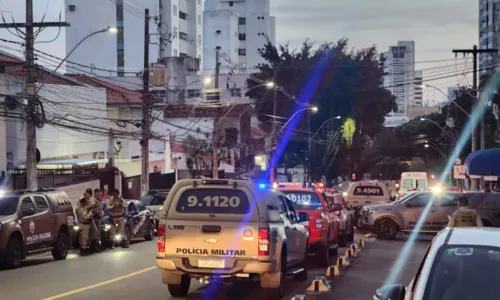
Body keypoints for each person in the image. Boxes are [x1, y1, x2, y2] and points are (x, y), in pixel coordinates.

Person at [76, 189, 98, 256]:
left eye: (89, 194)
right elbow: (83, 210)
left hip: (90, 219)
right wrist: (91, 207)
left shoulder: (91, 200)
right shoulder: (81, 201)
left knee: (93, 233)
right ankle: (83, 249)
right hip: (84, 220)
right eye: (86, 193)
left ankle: (90, 247)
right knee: (84, 237)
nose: (87, 195)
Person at [90, 188, 104, 253]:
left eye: (100, 192)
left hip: (98, 218)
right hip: (93, 218)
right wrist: (95, 213)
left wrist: (101, 214)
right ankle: (93, 246)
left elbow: (101, 209)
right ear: (95, 193)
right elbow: (91, 208)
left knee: (98, 232)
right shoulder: (92, 200)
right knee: (94, 232)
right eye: (99, 192)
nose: (100, 194)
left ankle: (97, 245)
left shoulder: (99, 200)